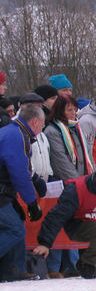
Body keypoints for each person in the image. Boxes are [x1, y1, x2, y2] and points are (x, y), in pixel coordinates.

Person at [33, 156, 96, 279]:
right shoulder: (77, 188)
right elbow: (56, 216)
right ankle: (86, 264)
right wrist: (45, 243)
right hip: (79, 225)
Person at [43, 93, 94, 278]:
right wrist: (79, 185)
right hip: (64, 184)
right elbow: (61, 161)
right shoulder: (53, 131)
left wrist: (92, 180)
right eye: (69, 109)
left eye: (75, 109)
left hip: (81, 182)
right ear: (60, 111)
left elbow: (87, 157)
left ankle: (75, 264)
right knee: (59, 223)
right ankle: (55, 267)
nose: (73, 113)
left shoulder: (76, 129)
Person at [0, 105, 46, 281]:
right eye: (42, 125)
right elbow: (19, 172)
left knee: (17, 222)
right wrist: (32, 203)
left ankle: (13, 270)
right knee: (14, 229)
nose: (42, 130)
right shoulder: (16, 136)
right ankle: (12, 270)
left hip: (5, 191)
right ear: (34, 121)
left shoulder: (13, 132)